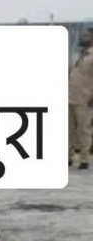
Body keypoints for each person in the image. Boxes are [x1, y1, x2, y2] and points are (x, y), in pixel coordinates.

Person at [68, 29, 93, 170]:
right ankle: (68, 156)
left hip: (86, 97)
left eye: (87, 36)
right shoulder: (79, 54)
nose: (84, 38)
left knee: (84, 130)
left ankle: (84, 159)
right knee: (70, 130)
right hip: (71, 96)